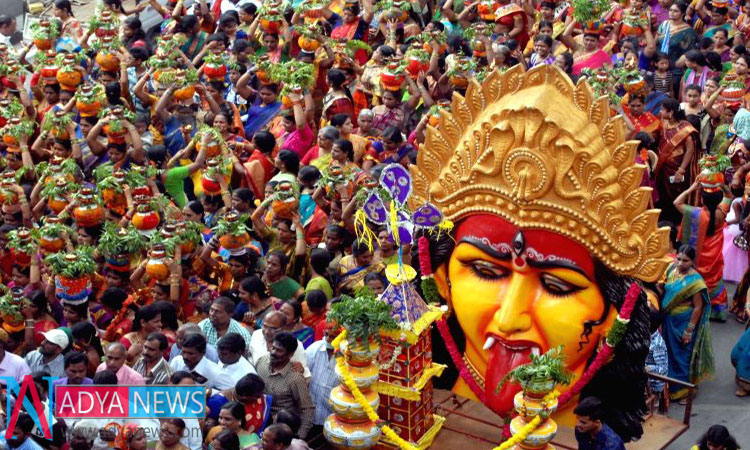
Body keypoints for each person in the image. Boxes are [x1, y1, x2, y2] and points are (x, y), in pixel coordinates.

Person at [660, 245, 715, 402]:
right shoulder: (671, 269)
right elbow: (662, 285)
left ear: (692, 262)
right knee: (668, 354)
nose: (680, 263)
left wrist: (689, 331)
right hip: (668, 320)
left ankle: (685, 390)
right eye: (678, 259)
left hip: (683, 322)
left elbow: (698, 307)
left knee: (682, 356)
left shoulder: (696, 282)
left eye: (685, 260)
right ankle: (669, 388)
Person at [674, 178, 728, 320]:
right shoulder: (722, 213)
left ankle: (695, 306)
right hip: (714, 256)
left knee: (697, 280)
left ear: (702, 200)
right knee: (715, 280)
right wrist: (720, 185)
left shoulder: (696, 213)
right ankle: (716, 312)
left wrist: (692, 188)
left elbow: (676, 202)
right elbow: (729, 196)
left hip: (698, 257)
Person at [254, 333, 314, 439]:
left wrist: (299, 437)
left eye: (279, 350)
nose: (273, 352)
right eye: (273, 348)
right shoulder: (261, 362)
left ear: (290, 355)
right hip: (258, 419)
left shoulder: (295, 378)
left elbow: (307, 409)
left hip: (281, 427)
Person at [304, 322, 339, 436]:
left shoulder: (346, 356)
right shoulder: (315, 347)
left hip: (331, 412)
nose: (328, 339)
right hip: (311, 409)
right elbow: (304, 371)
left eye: (332, 336)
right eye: (326, 334)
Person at [249, 311, 309, 376]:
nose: (266, 332)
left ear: (284, 328)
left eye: (272, 329)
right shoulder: (256, 335)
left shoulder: (296, 345)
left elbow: (305, 374)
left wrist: (301, 369)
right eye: (264, 326)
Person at [169, 333, 234, 389]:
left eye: (190, 353)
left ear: (203, 353)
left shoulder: (215, 372)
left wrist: (209, 393)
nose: (185, 356)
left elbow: (231, 391)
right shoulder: (177, 362)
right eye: (183, 352)